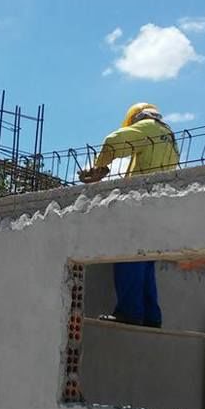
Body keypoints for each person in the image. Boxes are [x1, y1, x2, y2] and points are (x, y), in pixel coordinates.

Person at [78, 103, 179, 327]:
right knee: (145, 261)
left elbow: (112, 141)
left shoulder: (148, 127)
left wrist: (99, 167)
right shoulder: (169, 136)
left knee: (127, 253)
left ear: (136, 119)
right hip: (160, 205)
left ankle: (130, 311)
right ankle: (151, 316)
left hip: (141, 204)